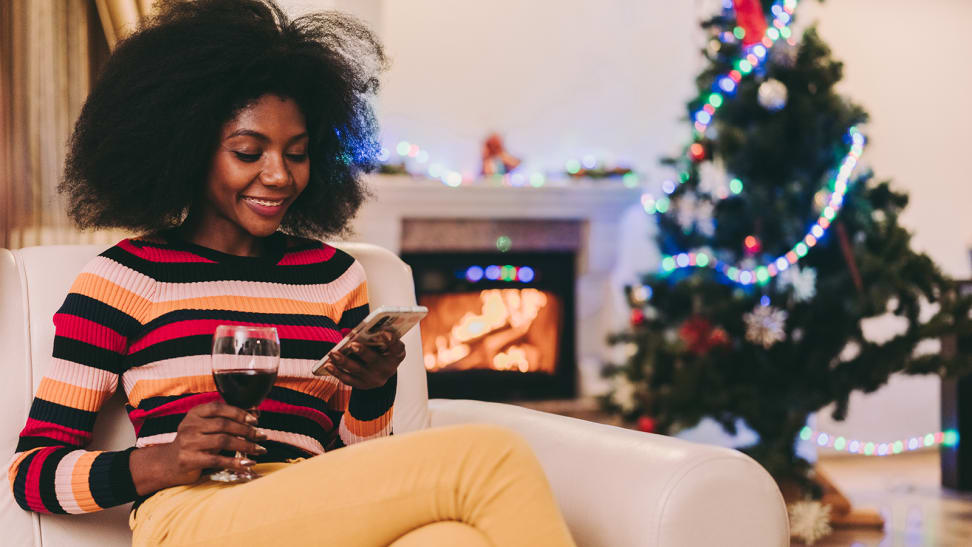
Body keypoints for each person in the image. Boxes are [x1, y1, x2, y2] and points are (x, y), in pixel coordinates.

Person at [7, 1, 576, 545]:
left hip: (315, 501)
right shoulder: (127, 277)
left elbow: (361, 459)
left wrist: (373, 391)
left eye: (297, 153)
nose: (278, 175)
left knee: (451, 539)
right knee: (491, 454)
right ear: (187, 149)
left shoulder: (334, 277)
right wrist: (161, 460)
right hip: (192, 515)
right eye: (249, 152)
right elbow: (31, 475)